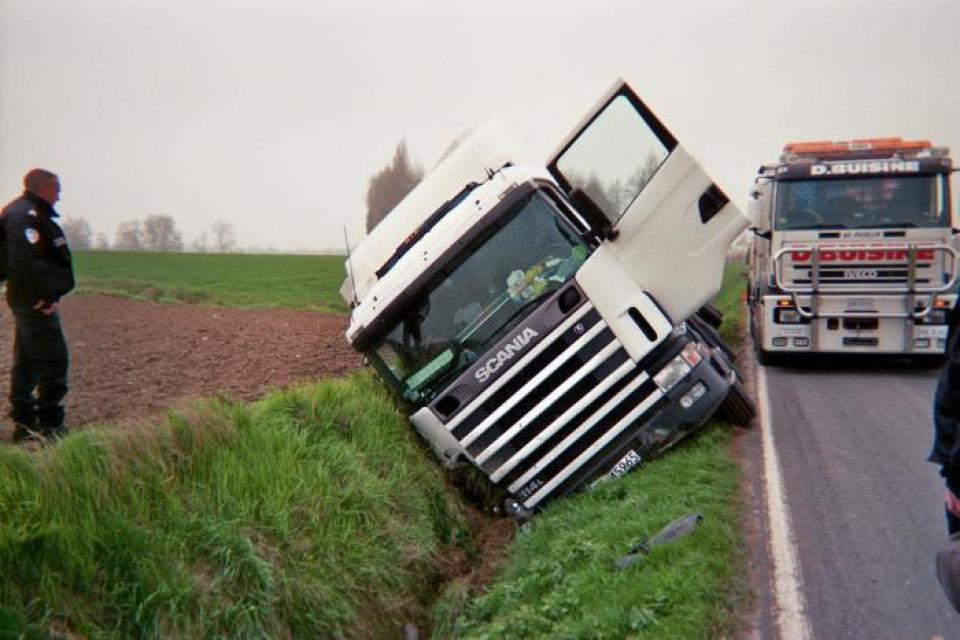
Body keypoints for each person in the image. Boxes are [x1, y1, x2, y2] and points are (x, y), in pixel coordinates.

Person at [0, 168, 75, 442]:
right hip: (34, 300)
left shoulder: (28, 213)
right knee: (53, 359)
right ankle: (51, 426)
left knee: (28, 361)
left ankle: (25, 424)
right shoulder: (26, 217)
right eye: (56, 189)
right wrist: (44, 296)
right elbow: (25, 262)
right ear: (42, 188)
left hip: (29, 297)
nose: (59, 195)